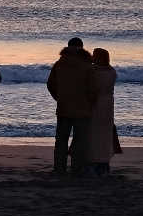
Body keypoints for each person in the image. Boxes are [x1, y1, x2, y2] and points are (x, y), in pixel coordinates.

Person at [46, 37, 94, 175]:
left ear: (68, 47)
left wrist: (59, 98)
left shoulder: (59, 64)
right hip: (82, 108)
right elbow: (93, 88)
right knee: (79, 140)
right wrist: (90, 102)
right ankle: (76, 168)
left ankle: (59, 168)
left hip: (64, 108)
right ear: (82, 47)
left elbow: (50, 85)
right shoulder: (87, 65)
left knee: (61, 140)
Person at [86, 48, 119, 175]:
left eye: (94, 55)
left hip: (96, 102)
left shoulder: (93, 72)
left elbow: (91, 88)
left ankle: (94, 160)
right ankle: (104, 161)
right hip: (108, 103)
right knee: (105, 131)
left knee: (94, 131)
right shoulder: (112, 71)